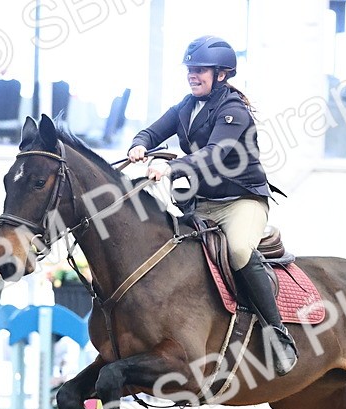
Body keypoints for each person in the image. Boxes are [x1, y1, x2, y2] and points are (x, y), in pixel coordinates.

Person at [128, 35, 298, 376]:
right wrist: (139, 144)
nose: (193, 75)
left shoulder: (233, 110)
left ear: (221, 74)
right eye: (190, 69)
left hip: (241, 202)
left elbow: (214, 154)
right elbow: (152, 131)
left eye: (201, 70)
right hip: (203, 204)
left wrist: (171, 167)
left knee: (237, 250)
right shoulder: (185, 107)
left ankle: (278, 333)